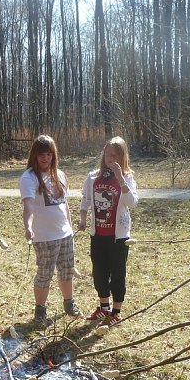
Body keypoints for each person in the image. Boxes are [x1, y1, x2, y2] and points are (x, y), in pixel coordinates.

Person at [19, 134, 81, 325]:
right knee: (45, 274)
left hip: (65, 234)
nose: (45, 158)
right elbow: (28, 205)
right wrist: (28, 226)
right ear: (34, 155)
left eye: (49, 154)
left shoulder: (60, 175)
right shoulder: (29, 177)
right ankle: (40, 311)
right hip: (44, 236)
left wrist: (69, 227)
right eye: (41, 154)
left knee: (67, 270)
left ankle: (69, 303)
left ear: (54, 155)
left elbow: (64, 205)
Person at [77, 136, 139, 327]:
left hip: (119, 237)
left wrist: (120, 179)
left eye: (115, 156)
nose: (111, 159)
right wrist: (82, 218)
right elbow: (86, 200)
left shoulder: (127, 177)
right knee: (99, 273)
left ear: (122, 157)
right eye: (108, 155)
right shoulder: (93, 176)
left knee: (118, 274)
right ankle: (104, 307)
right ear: (103, 154)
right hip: (98, 235)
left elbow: (132, 203)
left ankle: (116, 312)